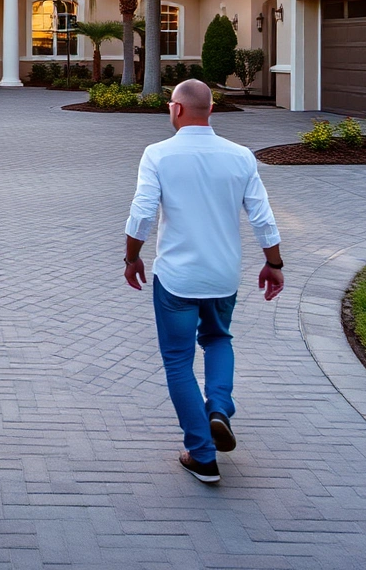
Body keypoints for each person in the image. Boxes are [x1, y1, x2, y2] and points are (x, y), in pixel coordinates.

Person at [123, 78, 283, 485]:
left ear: (176, 109)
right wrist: (274, 263)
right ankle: (219, 410)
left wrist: (132, 257)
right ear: (210, 110)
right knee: (217, 340)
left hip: (176, 278)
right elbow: (262, 216)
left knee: (178, 361)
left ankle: (201, 453)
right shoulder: (240, 156)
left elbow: (142, 214)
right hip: (223, 275)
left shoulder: (158, 154)